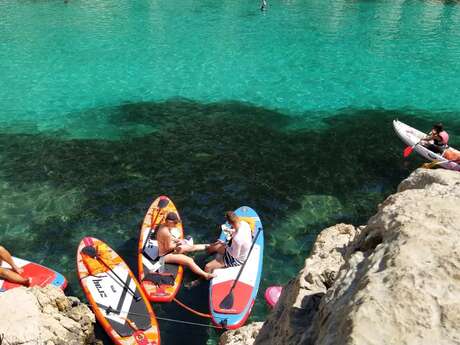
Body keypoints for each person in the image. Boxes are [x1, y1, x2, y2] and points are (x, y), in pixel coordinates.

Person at [155, 212, 215, 280]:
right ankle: (206, 275)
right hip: (164, 255)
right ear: (169, 222)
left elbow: (167, 239)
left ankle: (209, 246)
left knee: (191, 247)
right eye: (174, 223)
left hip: (168, 249)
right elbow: (168, 247)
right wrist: (179, 244)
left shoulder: (163, 225)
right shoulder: (166, 233)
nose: (175, 224)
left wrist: (178, 240)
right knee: (189, 260)